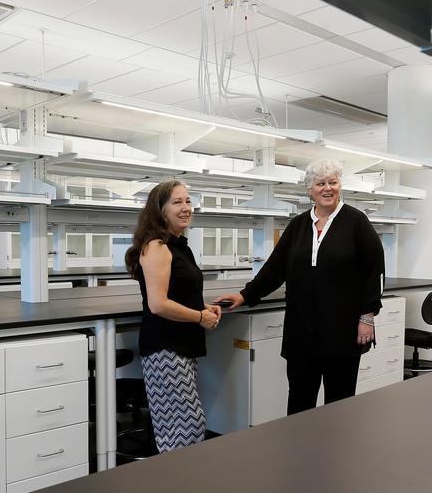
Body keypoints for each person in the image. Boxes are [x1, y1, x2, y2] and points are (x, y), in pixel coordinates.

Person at [216, 159, 385, 414]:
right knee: (299, 398)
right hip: (301, 330)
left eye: (333, 182)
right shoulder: (298, 225)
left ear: (340, 186)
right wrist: (245, 295)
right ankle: (298, 451)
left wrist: (367, 316)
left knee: (340, 400)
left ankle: (338, 450)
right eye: (320, 184)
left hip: (341, 329)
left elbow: (374, 272)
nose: (327, 188)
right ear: (310, 190)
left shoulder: (356, 222)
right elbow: (275, 268)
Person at [125, 180, 221, 453]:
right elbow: (158, 304)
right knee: (184, 427)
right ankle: (171, 489)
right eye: (177, 202)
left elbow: (177, 293)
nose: (186, 208)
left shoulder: (179, 246)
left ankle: (180, 488)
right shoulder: (156, 247)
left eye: (188, 201)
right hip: (164, 348)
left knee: (185, 426)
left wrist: (203, 307)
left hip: (181, 345)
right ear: (160, 209)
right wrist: (200, 318)